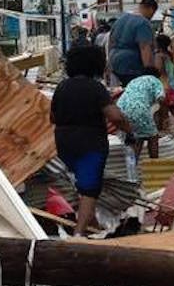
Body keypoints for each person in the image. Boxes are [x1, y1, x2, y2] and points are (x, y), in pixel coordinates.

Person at [50, 45, 130, 236]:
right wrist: (129, 129)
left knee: (82, 184)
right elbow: (115, 116)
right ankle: (78, 234)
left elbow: (52, 117)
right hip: (90, 143)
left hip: (64, 142)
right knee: (90, 189)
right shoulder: (95, 88)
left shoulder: (62, 87)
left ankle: (92, 224)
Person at [116, 66, 166, 167]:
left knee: (137, 137)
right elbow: (161, 99)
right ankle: (155, 165)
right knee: (153, 136)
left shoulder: (134, 81)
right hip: (138, 108)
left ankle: (132, 170)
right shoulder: (155, 81)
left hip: (120, 108)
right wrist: (164, 117)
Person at [108, 0, 158, 88]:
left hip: (114, 60)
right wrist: (149, 70)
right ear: (150, 9)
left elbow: (110, 42)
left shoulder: (120, 19)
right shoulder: (143, 23)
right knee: (135, 90)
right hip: (131, 63)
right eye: (153, 13)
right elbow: (144, 47)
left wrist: (109, 63)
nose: (151, 17)